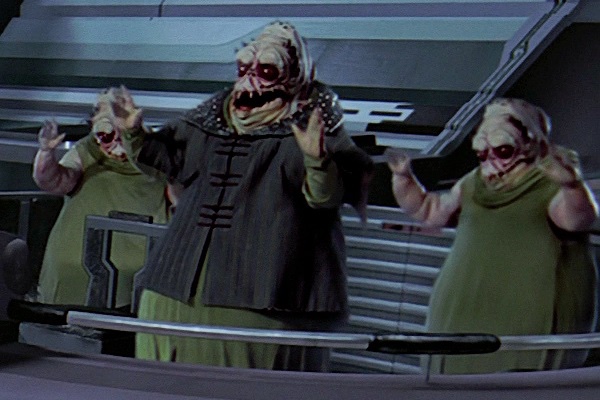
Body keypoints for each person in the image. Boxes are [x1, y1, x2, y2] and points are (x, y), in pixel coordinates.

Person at [97, 21, 373, 371]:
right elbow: (165, 159)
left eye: (267, 70)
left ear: (296, 75)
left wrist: (317, 160)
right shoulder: (210, 118)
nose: (249, 80)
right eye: (244, 68)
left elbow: (327, 197)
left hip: (263, 303)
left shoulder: (314, 126)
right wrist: (134, 135)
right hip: (171, 291)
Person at [387, 98, 598, 374]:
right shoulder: (472, 183)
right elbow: (429, 211)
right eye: (483, 153)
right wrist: (403, 179)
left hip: (524, 335)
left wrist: (572, 186)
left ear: (530, 142)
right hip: (460, 326)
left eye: (503, 150)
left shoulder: (549, 185)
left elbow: (578, 218)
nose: (491, 161)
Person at [33, 88, 170, 307]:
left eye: (116, 109)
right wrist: (46, 154)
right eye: (99, 110)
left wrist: (132, 135)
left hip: (136, 272)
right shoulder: (88, 149)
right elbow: (57, 181)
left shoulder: (155, 150)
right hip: (74, 264)